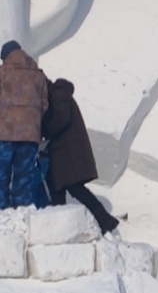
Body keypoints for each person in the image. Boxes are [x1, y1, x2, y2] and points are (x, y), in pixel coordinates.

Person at [41, 78, 118, 235]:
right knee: (57, 186)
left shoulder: (58, 95)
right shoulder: (58, 94)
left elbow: (60, 120)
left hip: (69, 154)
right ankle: (61, 225)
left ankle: (105, 220)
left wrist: (44, 129)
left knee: (74, 188)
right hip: (63, 153)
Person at [0, 40, 50, 211]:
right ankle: (21, 212)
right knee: (23, 178)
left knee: (0, 176)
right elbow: (44, 105)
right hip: (29, 136)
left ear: (6, 56)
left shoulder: (1, 73)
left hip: (4, 134)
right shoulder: (39, 75)